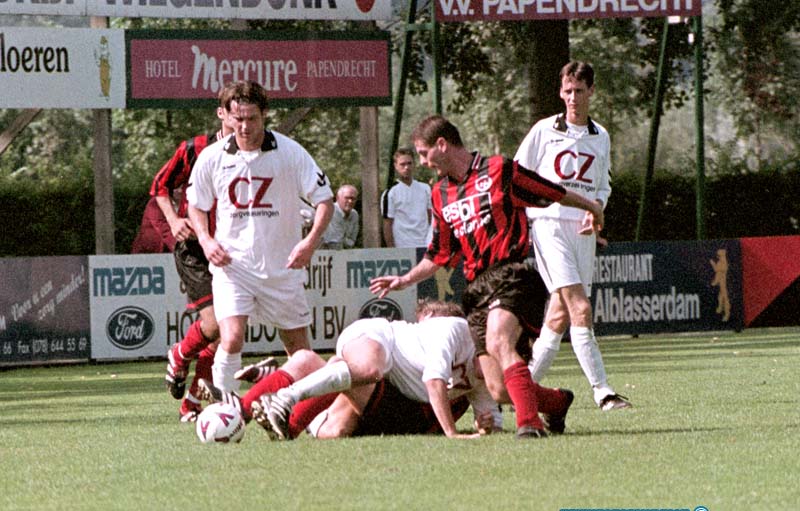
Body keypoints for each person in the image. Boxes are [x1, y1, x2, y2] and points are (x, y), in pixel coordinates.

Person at [369, 115, 603, 439]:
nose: (422, 162)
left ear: (442, 145)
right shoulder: (439, 195)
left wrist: (592, 207)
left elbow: (550, 191)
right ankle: (557, 402)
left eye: (424, 154)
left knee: (498, 339)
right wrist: (405, 280)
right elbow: (439, 253)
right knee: (498, 390)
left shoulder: (499, 170)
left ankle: (530, 426)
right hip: (476, 289)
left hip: (511, 274)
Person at [186, 80, 334, 394]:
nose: (244, 126)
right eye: (237, 119)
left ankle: (303, 411)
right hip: (233, 267)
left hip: (283, 269)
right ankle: (226, 409)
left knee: (301, 352)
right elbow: (195, 206)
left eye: (252, 118)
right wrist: (206, 240)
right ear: (224, 117)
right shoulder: (212, 157)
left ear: (264, 114)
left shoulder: (290, 152)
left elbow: (325, 200)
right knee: (232, 337)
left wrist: (309, 243)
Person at [200, 300, 520, 440]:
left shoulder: (479, 371)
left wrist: (488, 423)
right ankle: (260, 404)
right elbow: (434, 382)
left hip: (393, 400)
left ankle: (277, 396)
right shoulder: (448, 334)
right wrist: (452, 433)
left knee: (331, 426)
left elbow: (491, 412)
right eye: (422, 322)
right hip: (379, 342)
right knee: (367, 367)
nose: (422, 328)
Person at [514, 61, 630, 411]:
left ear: (591, 91)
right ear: (560, 92)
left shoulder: (601, 136)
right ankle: (603, 391)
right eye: (568, 91)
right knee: (580, 307)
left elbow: (603, 186)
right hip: (549, 225)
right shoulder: (544, 130)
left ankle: (523, 388)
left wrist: (594, 208)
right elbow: (518, 174)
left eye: (580, 91)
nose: (573, 98)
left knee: (560, 315)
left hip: (582, 231)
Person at [149, 98, 233, 422]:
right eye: (233, 114)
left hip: (228, 251)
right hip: (194, 249)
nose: (240, 123)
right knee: (213, 324)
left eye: (246, 116)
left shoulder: (250, 155)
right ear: (221, 114)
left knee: (227, 334)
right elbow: (160, 185)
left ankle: (193, 405)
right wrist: (172, 221)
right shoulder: (195, 148)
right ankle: (180, 354)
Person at [382, 147, 432, 248]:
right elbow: (387, 224)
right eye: (402, 164)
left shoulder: (425, 188)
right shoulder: (390, 193)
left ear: (414, 164)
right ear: (395, 166)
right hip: (403, 247)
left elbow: (430, 217)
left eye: (409, 163)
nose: (406, 167)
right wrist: (392, 250)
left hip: (425, 245)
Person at [320, 184, 359, 249]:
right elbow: (335, 242)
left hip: (345, 253)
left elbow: (352, 241)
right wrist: (346, 241)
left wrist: (344, 240)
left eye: (353, 198)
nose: (350, 201)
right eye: (347, 198)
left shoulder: (354, 214)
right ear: (338, 198)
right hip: (325, 253)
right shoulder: (332, 211)